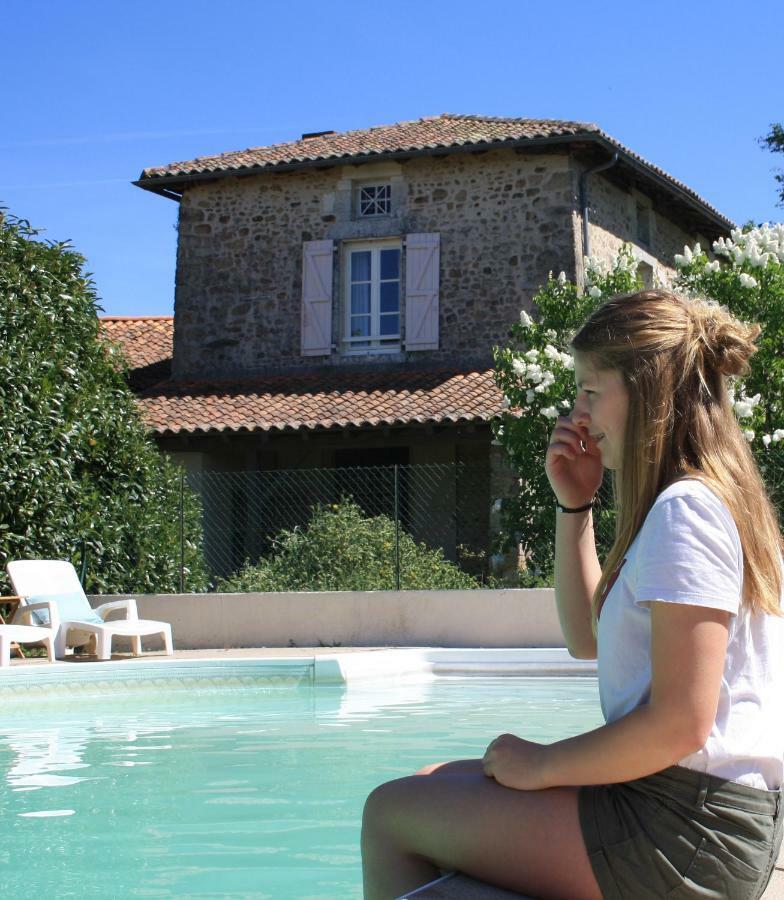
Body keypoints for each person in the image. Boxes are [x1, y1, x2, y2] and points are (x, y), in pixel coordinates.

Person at [361, 289, 784, 899]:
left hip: (689, 832)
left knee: (389, 815)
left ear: (646, 391)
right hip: (690, 815)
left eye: (591, 390)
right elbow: (585, 639)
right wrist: (574, 503)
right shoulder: (697, 501)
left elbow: (680, 724)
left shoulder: (686, 510)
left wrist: (543, 764)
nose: (578, 414)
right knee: (431, 780)